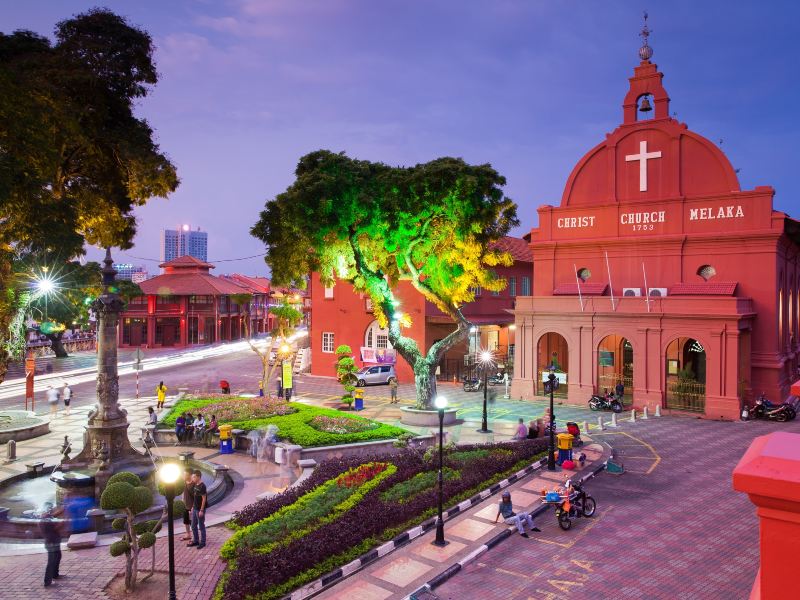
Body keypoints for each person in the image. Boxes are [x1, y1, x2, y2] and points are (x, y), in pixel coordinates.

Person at [39, 504, 64, 586]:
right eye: (49, 510)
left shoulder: (47, 518)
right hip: (52, 543)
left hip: (53, 542)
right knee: (51, 561)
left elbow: (54, 514)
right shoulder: (45, 521)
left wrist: (63, 509)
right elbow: (55, 529)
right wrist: (63, 522)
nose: (51, 510)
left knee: (58, 557)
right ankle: (47, 581)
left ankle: (55, 574)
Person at [188, 469, 207, 549]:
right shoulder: (196, 485)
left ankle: (203, 542)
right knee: (193, 526)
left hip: (199, 509)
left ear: (199, 477)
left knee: (201, 526)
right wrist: (192, 507)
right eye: (192, 477)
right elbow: (195, 497)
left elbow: (204, 499)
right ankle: (196, 540)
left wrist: (202, 510)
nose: (193, 479)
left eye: (194, 477)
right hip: (195, 508)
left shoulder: (203, 486)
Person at [181, 468, 194, 541]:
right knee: (186, 521)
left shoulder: (193, 484)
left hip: (191, 506)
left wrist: (193, 508)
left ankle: (195, 536)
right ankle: (188, 534)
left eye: (185, 474)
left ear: (189, 475)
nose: (183, 475)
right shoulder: (183, 482)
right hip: (184, 505)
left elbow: (196, 497)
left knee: (192, 522)